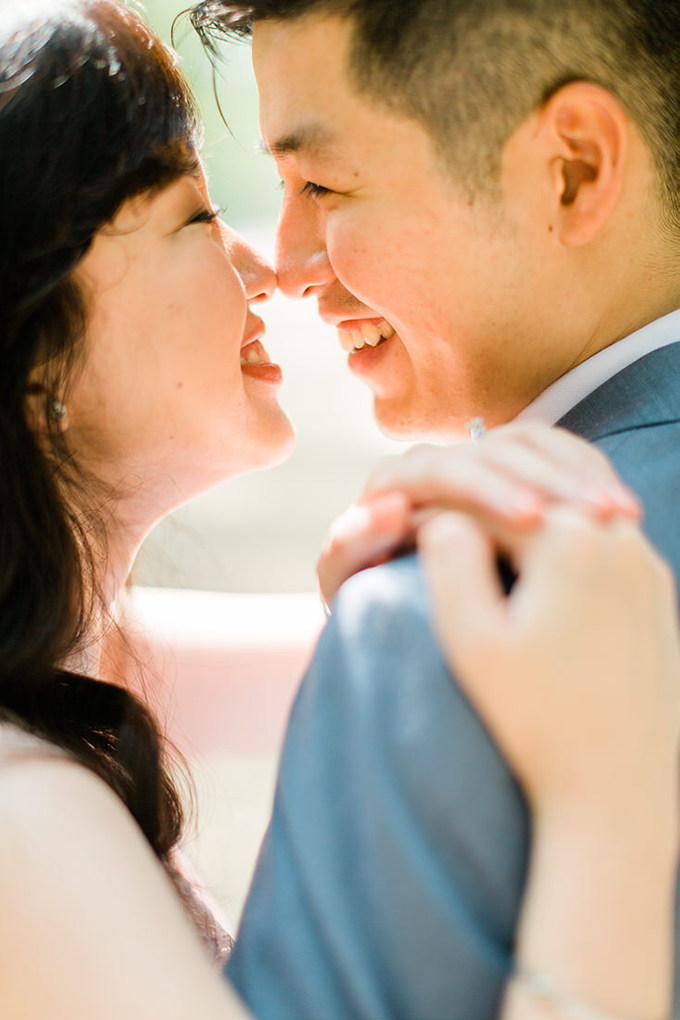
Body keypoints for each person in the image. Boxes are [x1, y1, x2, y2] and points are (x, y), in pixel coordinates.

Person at [2, 2, 670, 1019]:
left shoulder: (435, 618)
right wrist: (603, 812)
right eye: (199, 215)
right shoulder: (27, 824)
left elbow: (169, 660)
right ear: (34, 347)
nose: (278, 267)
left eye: (321, 183)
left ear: (573, 171)